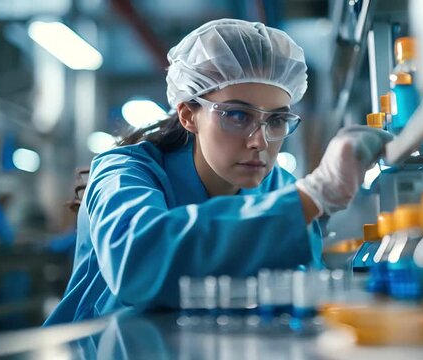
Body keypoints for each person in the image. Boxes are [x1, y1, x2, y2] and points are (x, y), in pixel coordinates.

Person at [44, 18, 391, 325]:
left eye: (278, 120)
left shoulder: (277, 187)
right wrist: (313, 196)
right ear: (188, 115)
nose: (260, 141)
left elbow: (299, 287)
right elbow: (139, 263)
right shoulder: (124, 172)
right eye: (237, 115)